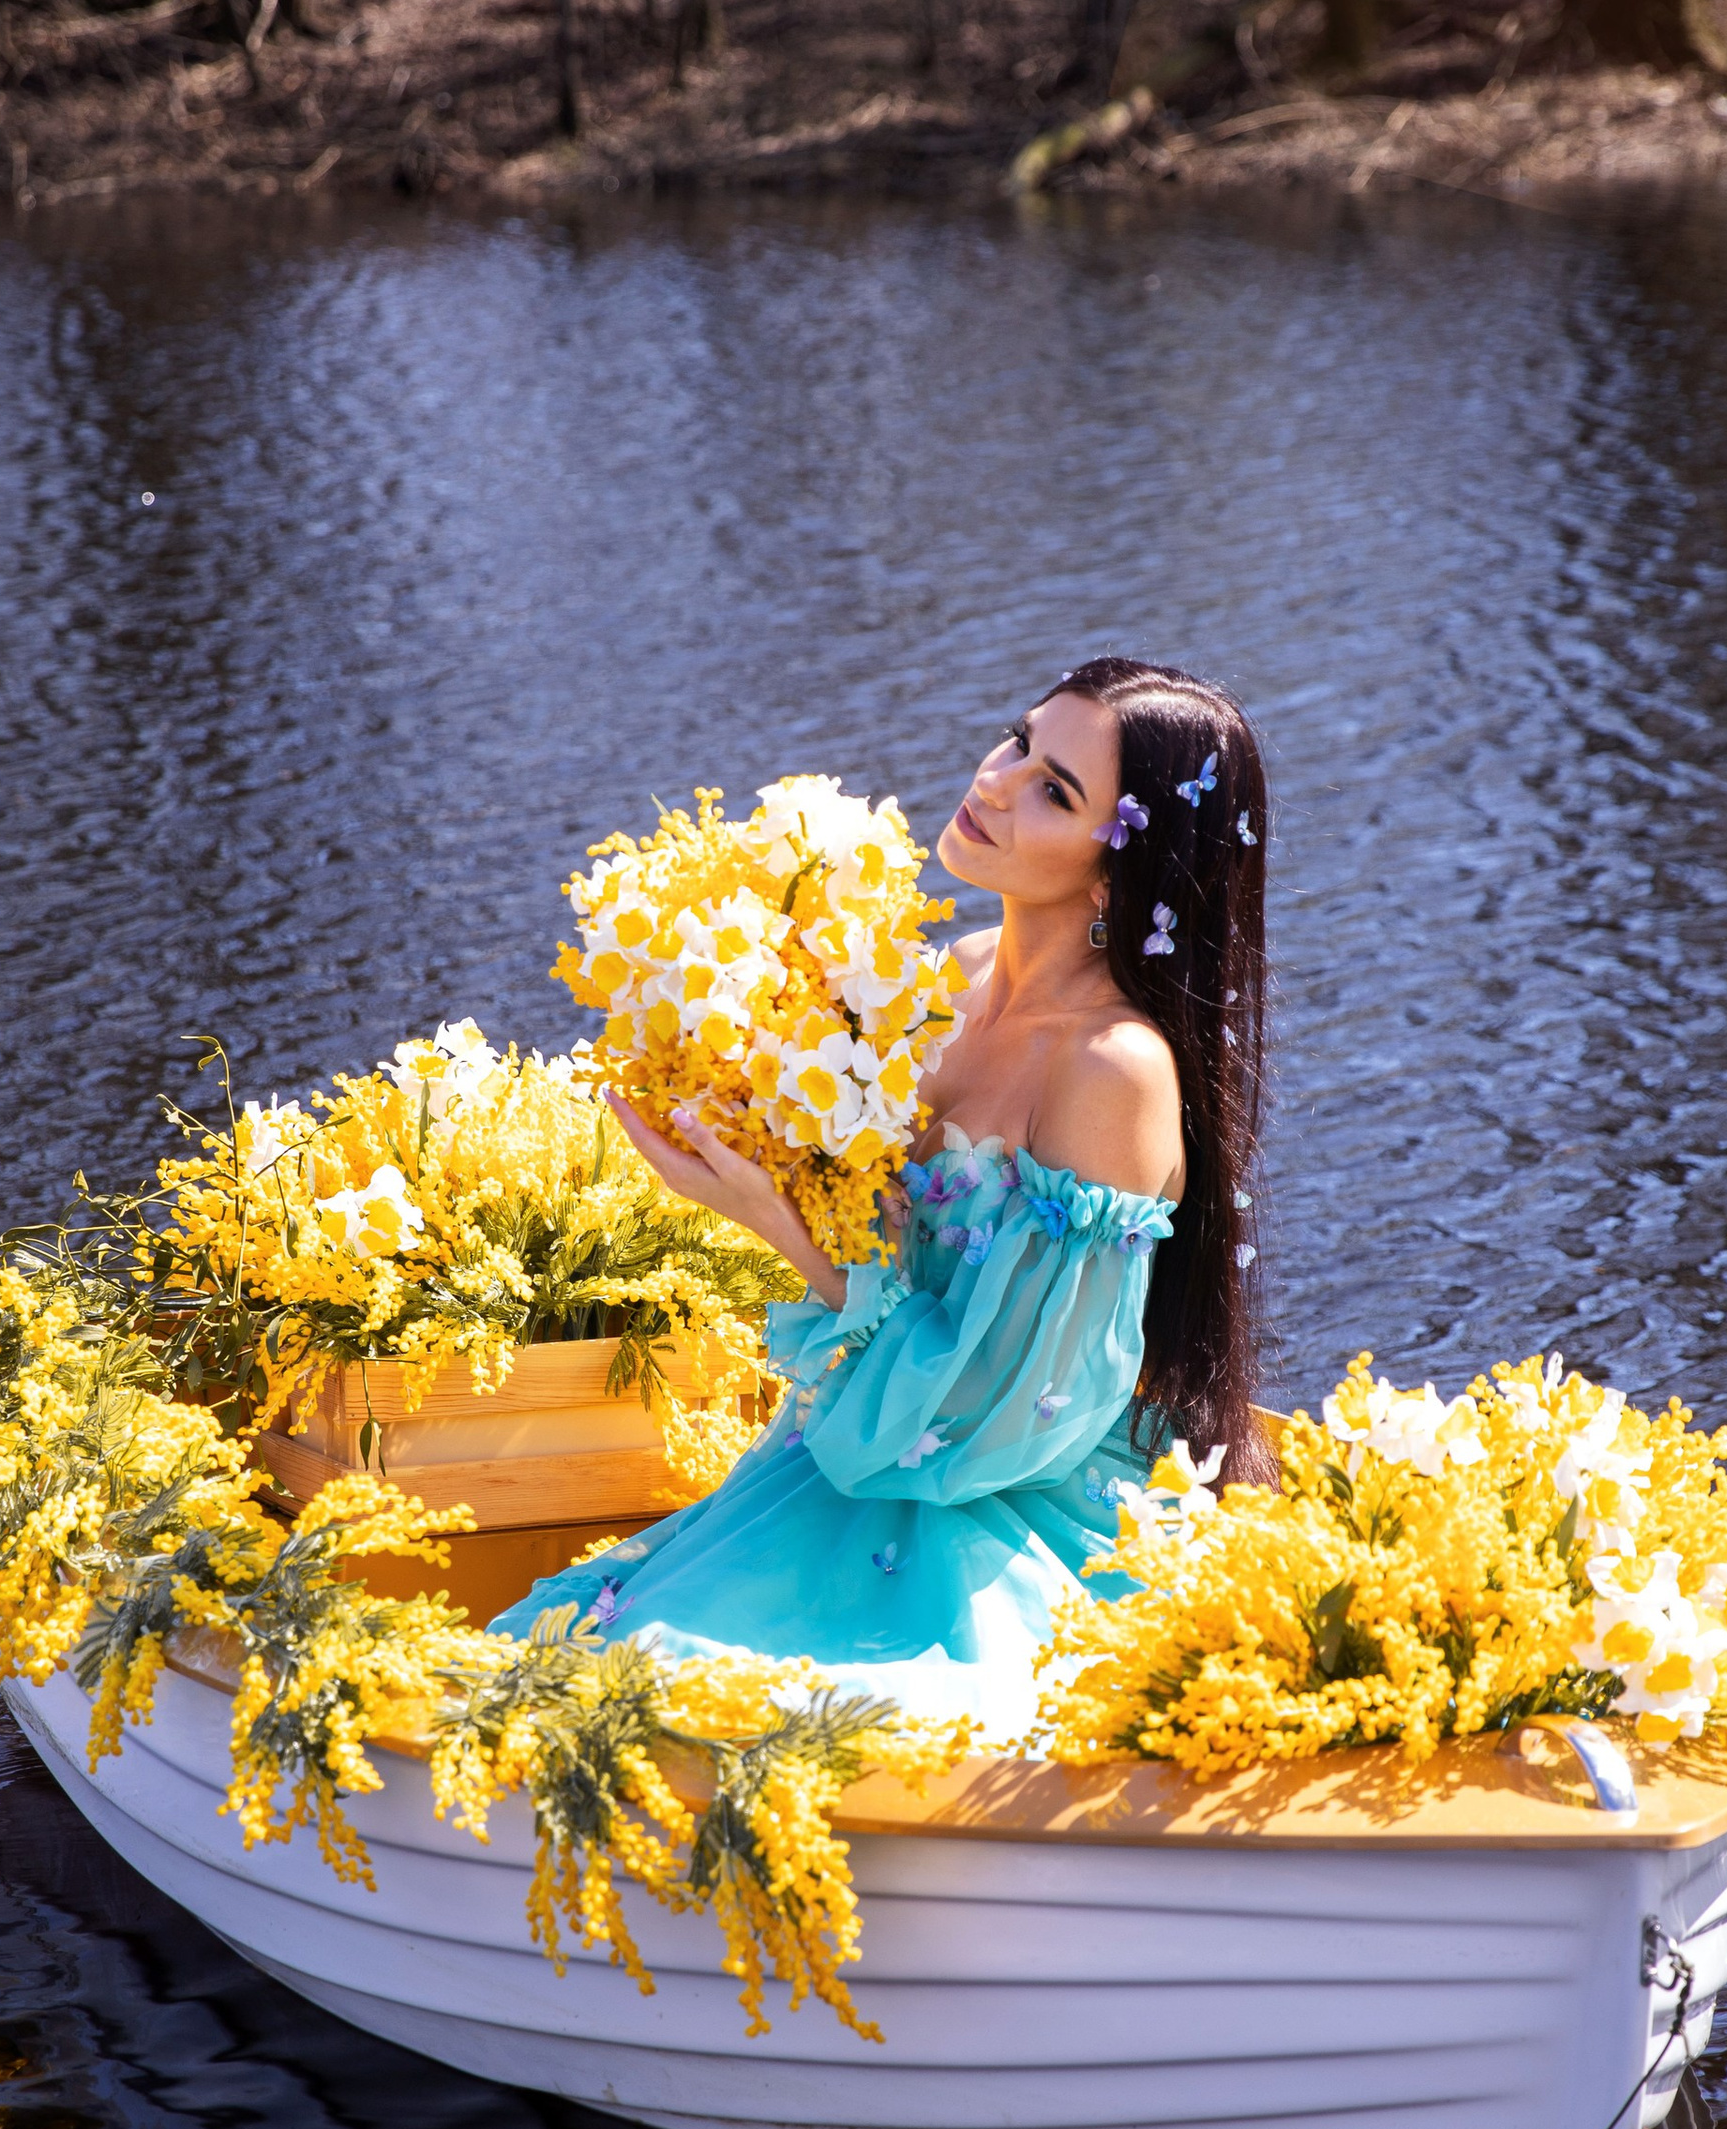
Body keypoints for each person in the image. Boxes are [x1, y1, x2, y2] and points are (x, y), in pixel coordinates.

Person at [515, 656, 1271, 1741]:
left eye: (1055, 790)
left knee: (703, 1692)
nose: (997, 779)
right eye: (1017, 741)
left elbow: (1011, 1416)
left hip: (996, 1494)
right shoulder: (944, 978)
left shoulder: (1114, 1069)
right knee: (586, 1658)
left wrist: (774, 1225)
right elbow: (880, 1235)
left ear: (1120, 872)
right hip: (854, 1437)